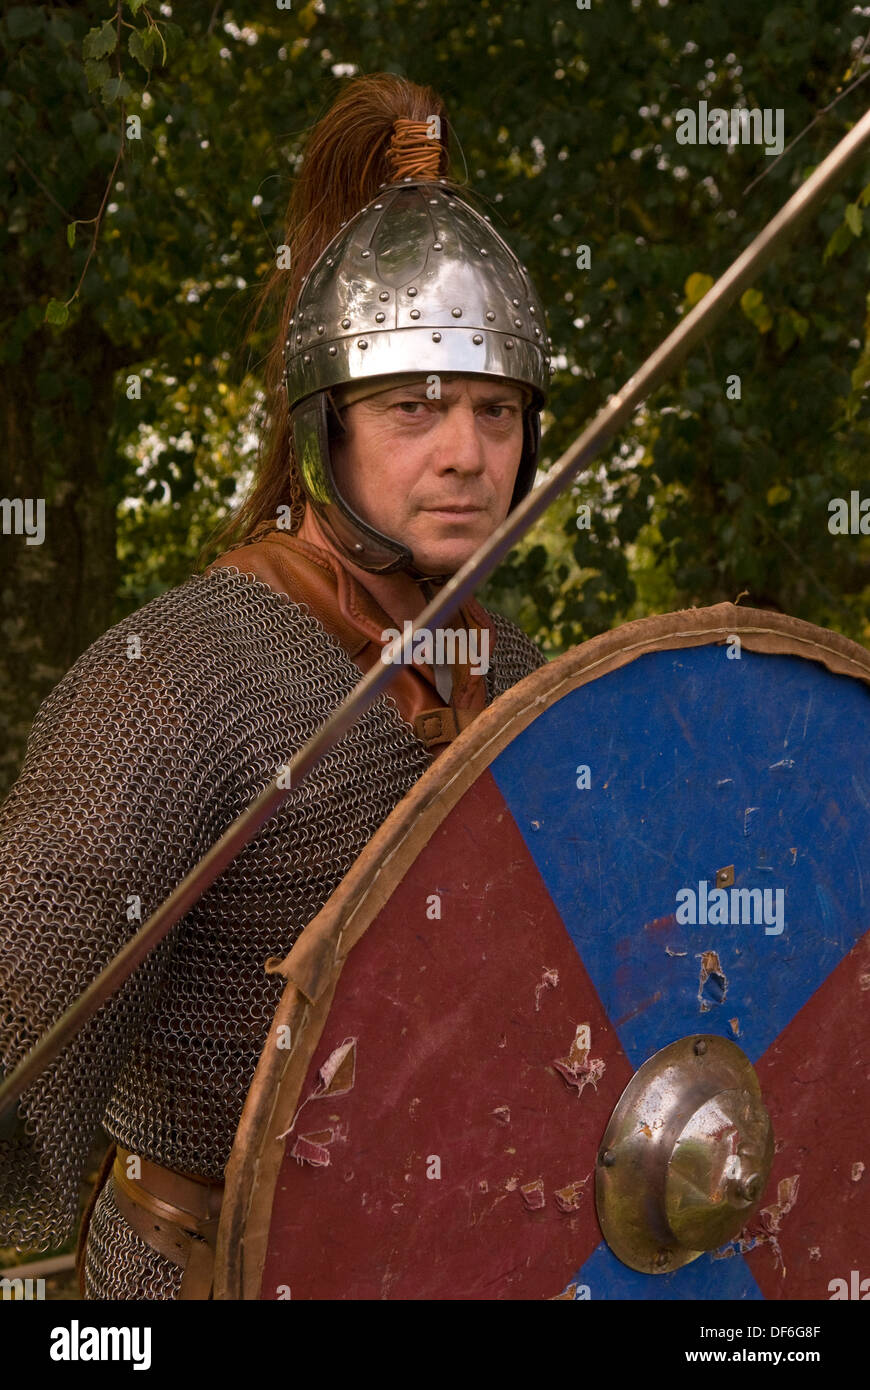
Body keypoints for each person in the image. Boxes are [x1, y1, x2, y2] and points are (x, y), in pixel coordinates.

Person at [0, 73, 553, 1300]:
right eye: (414, 406)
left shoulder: (527, 684)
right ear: (327, 429)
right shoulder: (181, 685)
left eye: (496, 410)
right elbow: (18, 1037)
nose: (465, 451)